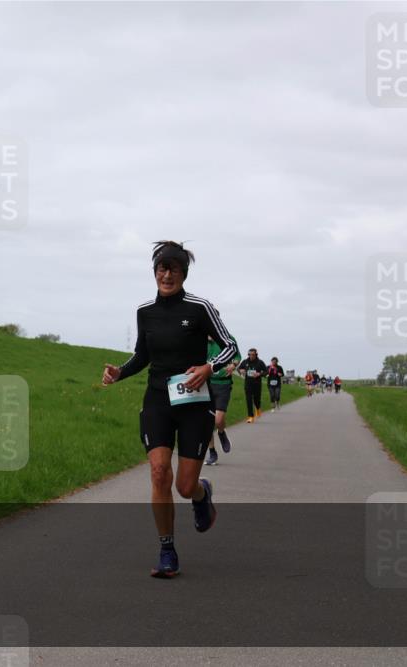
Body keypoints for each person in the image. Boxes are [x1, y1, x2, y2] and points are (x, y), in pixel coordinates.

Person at [102, 240, 238, 578]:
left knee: (183, 485)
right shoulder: (145, 311)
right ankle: (166, 549)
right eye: (161, 269)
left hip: (194, 402)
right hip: (158, 399)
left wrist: (209, 367)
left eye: (173, 270)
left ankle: (201, 493)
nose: (167, 275)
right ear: (155, 273)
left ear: (183, 274)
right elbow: (142, 356)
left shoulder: (199, 307)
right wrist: (120, 372)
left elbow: (230, 346)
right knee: (160, 472)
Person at [204, 331, 240, 466]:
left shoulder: (228, 338)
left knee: (218, 420)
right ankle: (212, 451)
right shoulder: (200, 339)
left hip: (223, 384)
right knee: (206, 422)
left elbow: (237, 356)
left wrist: (233, 365)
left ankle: (221, 432)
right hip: (206, 384)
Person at [237, 348, 267, 423]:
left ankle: (258, 408)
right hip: (248, 384)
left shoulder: (260, 362)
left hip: (257, 384)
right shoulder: (245, 361)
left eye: (253, 355)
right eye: (249, 354)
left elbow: (266, 372)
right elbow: (239, 368)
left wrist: (259, 374)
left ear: (256, 355)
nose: (251, 356)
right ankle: (250, 416)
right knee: (248, 400)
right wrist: (241, 371)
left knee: (256, 400)